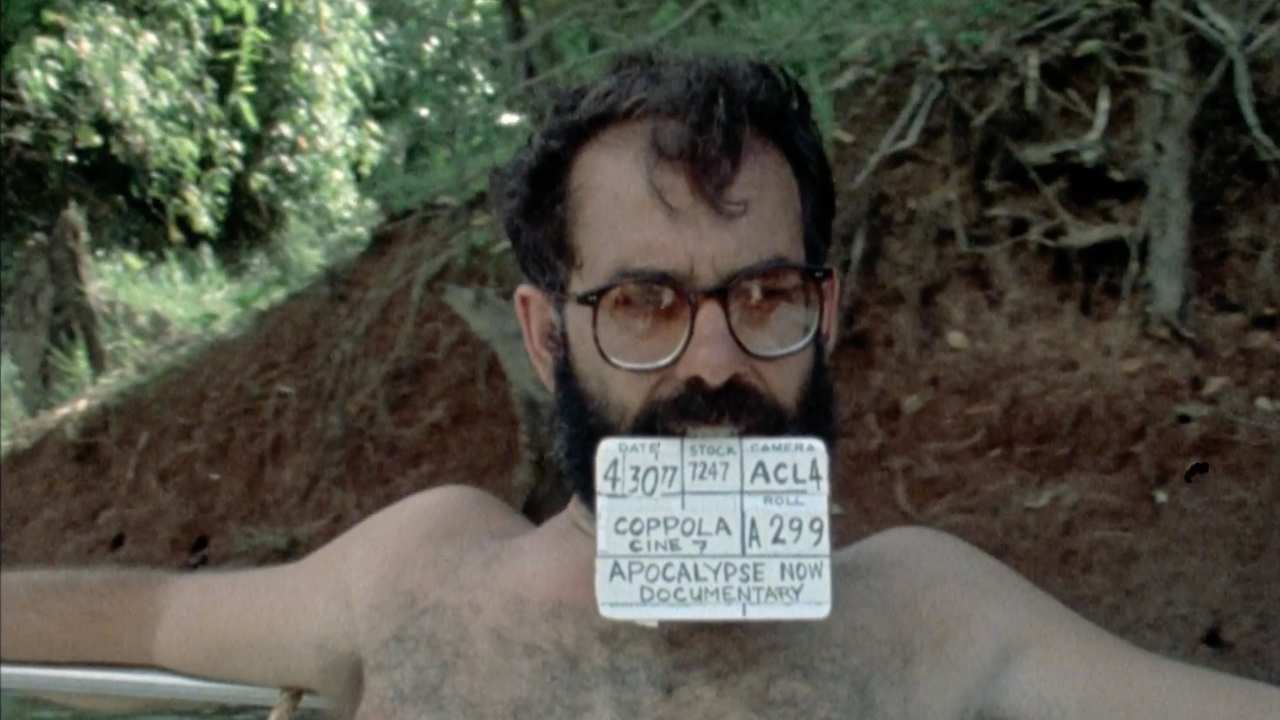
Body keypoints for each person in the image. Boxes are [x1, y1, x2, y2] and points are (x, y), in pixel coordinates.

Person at [1, 53, 1275, 720]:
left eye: (764, 296)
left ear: (822, 313)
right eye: (644, 303)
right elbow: (146, 620)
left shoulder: (933, 614)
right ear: (548, 333)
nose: (714, 360)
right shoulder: (420, 573)